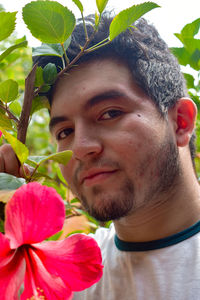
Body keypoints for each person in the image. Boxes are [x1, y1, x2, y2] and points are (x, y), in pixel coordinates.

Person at [1, 13, 200, 299]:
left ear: (180, 121)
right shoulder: (72, 276)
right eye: (64, 132)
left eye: (110, 113)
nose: (79, 148)